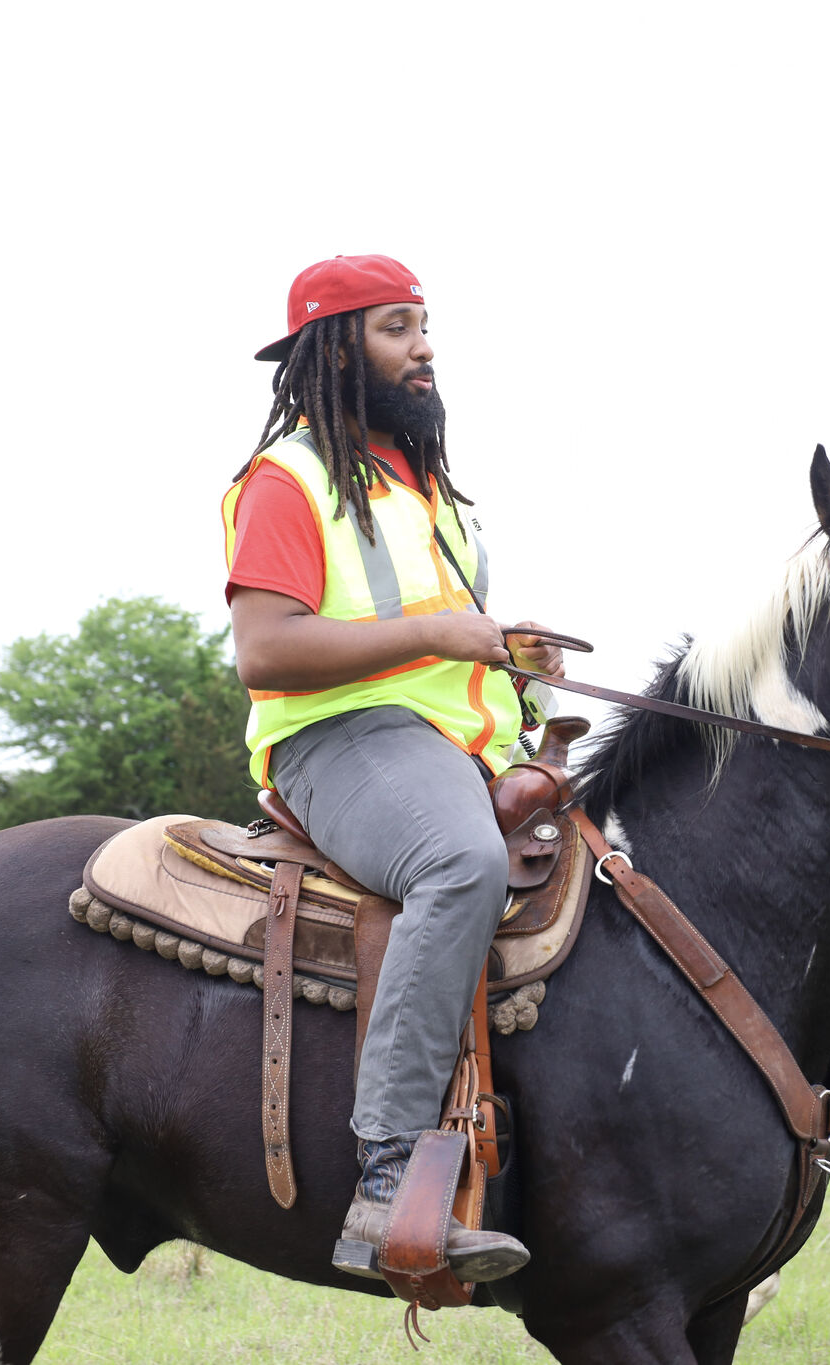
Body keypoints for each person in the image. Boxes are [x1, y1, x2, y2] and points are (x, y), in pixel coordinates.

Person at [222, 255, 558, 1282]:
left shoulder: (429, 492)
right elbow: (265, 649)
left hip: (458, 746)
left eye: (425, 327)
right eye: (396, 329)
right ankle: (386, 1179)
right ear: (336, 349)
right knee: (460, 867)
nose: (423, 349)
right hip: (341, 741)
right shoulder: (289, 478)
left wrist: (509, 657)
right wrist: (445, 634)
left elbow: (442, 642)